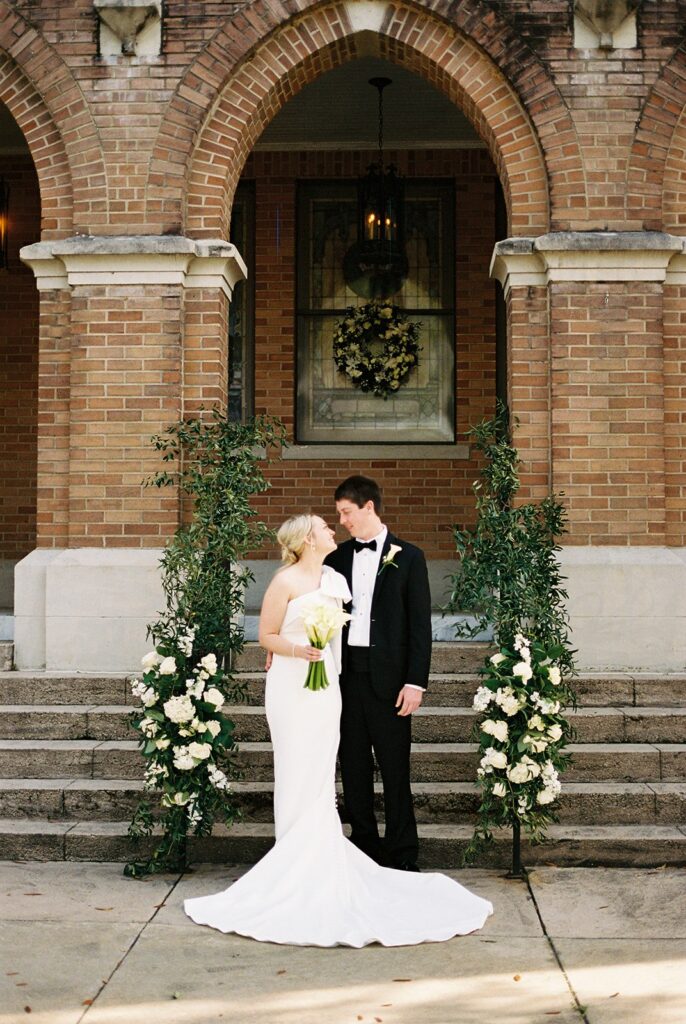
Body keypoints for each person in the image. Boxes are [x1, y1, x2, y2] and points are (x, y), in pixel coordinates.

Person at [184, 513, 493, 947]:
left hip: (328, 688)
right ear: (309, 539)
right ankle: (291, 864)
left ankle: (324, 857)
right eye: (326, 527)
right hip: (293, 686)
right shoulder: (284, 581)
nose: (335, 529)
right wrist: (293, 650)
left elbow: (358, 626)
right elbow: (265, 635)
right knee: (296, 768)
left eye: (339, 519)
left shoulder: (334, 578)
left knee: (323, 771)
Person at [325, 475, 429, 870]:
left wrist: (415, 681)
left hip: (392, 683)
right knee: (352, 769)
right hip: (347, 678)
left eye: (346, 512)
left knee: (395, 769)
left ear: (369, 507)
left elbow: (420, 627)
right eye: (338, 515)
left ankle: (403, 854)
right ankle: (363, 850)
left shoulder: (410, 557)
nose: (342, 521)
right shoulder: (335, 559)